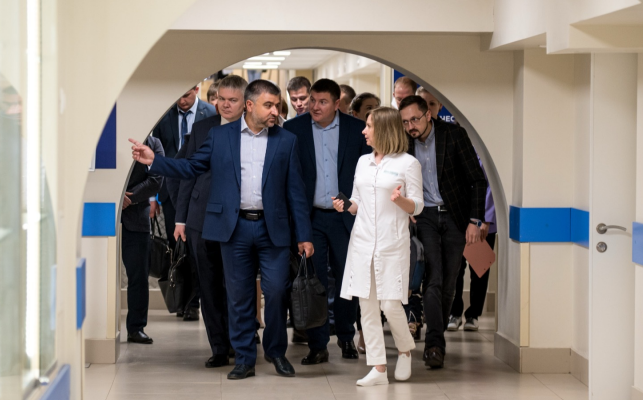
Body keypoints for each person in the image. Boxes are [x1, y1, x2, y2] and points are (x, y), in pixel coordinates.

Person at [130, 79, 314, 380]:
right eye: (269, 105)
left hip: (273, 229)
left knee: (277, 291)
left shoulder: (286, 140)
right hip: (234, 228)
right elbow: (190, 167)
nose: (275, 111)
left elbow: (296, 191)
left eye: (277, 105)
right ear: (250, 106)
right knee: (239, 296)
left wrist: (304, 235)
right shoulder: (219, 136)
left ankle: (276, 352)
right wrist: (155, 162)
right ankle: (244, 358)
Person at [283, 79, 370, 365]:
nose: (315, 106)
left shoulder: (356, 129)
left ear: (337, 103)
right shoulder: (293, 129)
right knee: (314, 280)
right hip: (310, 218)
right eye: (312, 100)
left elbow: (365, 175)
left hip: (346, 217)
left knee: (348, 278)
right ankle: (318, 344)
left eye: (322, 102)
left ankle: (346, 337)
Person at [335, 107, 423, 386]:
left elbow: (417, 205)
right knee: (367, 305)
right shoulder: (363, 162)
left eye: (369, 126)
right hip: (362, 242)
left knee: (390, 303)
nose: (364, 131)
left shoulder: (408, 164)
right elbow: (357, 202)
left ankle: (405, 349)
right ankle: (378, 368)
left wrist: (401, 201)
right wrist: (345, 205)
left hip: (392, 244)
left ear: (384, 129)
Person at [399, 95, 487, 368]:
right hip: (424, 217)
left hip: (455, 217)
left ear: (428, 115)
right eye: (405, 122)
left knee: (449, 282)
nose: (410, 126)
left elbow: (477, 180)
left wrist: (475, 221)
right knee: (433, 278)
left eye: (415, 119)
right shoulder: (404, 143)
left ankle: (436, 333)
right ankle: (435, 345)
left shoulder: (453, 135)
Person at [174, 75, 249, 366]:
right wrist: (180, 219)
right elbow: (186, 174)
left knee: (237, 286)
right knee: (209, 286)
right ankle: (219, 347)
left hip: (240, 220)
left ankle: (239, 342)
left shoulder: (255, 130)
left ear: (246, 102)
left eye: (232, 100)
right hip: (201, 218)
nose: (224, 105)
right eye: (220, 99)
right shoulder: (202, 128)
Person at [151, 84, 217, 317]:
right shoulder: (164, 115)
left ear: (197, 89)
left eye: (186, 95)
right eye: (178, 95)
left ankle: (193, 303)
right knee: (179, 247)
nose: (182, 100)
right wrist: (153, 196)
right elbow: (157, 154)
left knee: (199, 248)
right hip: (171, 191)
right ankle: (184, 297)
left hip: (200, 190)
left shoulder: (211, 114)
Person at [122, 136, 165, 344]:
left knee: (138, 276)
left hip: (137, 218)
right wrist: (116, 196)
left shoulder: (154, 144)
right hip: (103, 215)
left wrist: (129, 198)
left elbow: (156, 180)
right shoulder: (111, 137)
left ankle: (136, 327)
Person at [449, 159, 496, 331]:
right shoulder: (454, 155)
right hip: (459, 219)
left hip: (482, 222)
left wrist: (487, 219)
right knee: (455, 268)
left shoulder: (484, 156)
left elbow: (491, 187)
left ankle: (473, 315)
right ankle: (454, 313)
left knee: (479, 269)